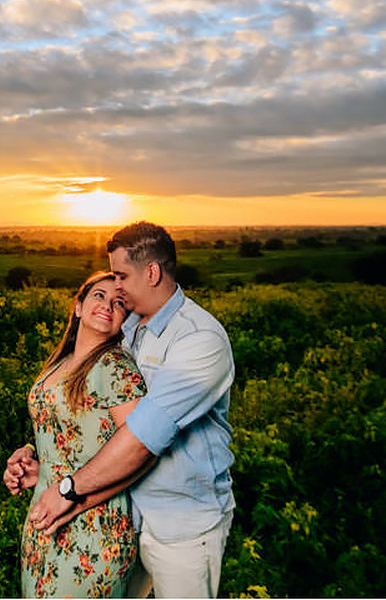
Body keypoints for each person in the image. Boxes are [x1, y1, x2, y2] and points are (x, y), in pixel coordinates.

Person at [24, 222, 235, 598]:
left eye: (121, 276)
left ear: (152, 272)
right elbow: (92, 415)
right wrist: (47, 466)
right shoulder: (130, 326)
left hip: (180, 527)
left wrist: (70, 490)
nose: (115, 288)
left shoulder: (199, 339)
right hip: (122, 513)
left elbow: (142, 439)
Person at [3, 271, 149, 598]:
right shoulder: (61, 363)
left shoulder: (115, 367)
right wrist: (29, 456)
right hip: (44, 519)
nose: (108, 305)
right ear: (79, 306)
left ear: (125, 320)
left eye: (119, 303)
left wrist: (72, 496)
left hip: (94, 528)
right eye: (99, 295)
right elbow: (67, 428)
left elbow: (141, 451)